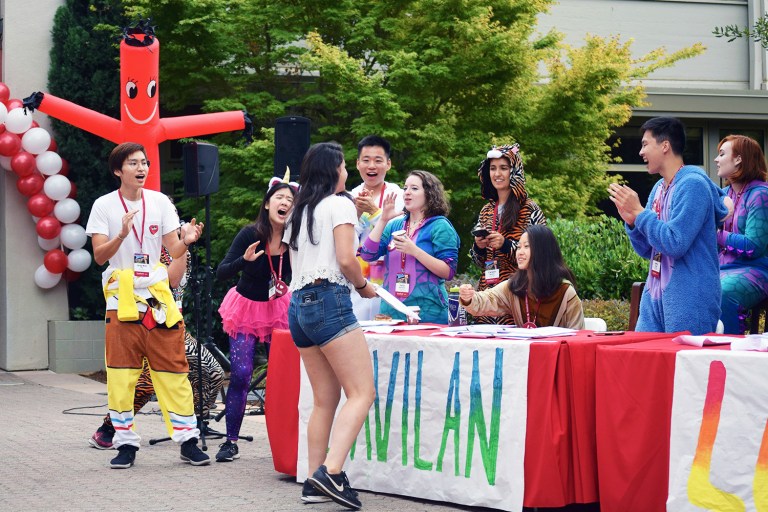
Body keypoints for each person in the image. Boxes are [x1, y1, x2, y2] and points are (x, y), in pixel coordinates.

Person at [85, 142, 208, 468]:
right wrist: (122, 234)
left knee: (174, 373)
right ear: (118, 170)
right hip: (121, 297)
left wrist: (187, 241)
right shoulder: (103, 206)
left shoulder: (160, 202)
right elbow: (99, 256)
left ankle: (188, 441)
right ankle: (125, 444)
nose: (141, 169)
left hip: (157, 297)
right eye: (133, 163)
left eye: (144, 163)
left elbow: (173, 249)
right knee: (122, 376)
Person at [284, 142, 377, 509]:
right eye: (343, 166)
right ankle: (331, 473)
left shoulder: (299, 210)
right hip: (329, 300)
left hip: (298, 307)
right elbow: (346, 259)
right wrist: (364, 286)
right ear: (332, 170)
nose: (347, 172)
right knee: (362, 393)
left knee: (325, 400)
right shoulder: (340, 205)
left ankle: (313, 479)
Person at [89, 243, 225, 449]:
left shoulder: (181, 251)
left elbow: (177, 285)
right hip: (144, 324)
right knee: (146, 384)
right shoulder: (142, 248)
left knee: (213, 372)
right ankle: (108, 428)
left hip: (172, 324)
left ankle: (194, 426)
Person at [608, 117, 729, 335]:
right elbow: (648, 249)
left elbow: (675, 243)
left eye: (645, 144)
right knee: (646, 364)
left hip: (690, 297)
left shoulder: (694, 185)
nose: (640, 152)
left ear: (665, 145)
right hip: (654, 296)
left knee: (685, 367)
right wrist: (632, 222)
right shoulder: (658, 188)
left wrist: (640, 214)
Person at [214, 179, 295, 462]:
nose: (284, 203)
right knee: (241, 373)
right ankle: (230, 441)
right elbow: (221, 271)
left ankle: (285, 442)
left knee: (283, 379)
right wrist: (244, 262)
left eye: (290, 200)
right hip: (246, 309)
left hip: (279, 310)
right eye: (280, 197)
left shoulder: (295, 239)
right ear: (267, 203)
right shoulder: (251, 233)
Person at [360, 170, 460, 324]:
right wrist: (383, 220)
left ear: (429, 194)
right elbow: (367, 255)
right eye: (405, 188)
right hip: (391, 314)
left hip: (428, 313)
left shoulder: (440, 226)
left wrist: (414, 251)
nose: (407, 192)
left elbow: (448, 272)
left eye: (414, 188)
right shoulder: (395, 225)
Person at [470, 144, 546, 324]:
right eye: (493, 168)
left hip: (519, 296)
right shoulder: (486, 210)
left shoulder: (530, 209)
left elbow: (542, 257)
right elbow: (478, 262)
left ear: (515, 172)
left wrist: (505, 245)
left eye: (504, 168)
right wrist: (479, 247)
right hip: (487, 300)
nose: (497, 174)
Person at [459, 225, 584, 329]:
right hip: (523, 356)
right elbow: (485, 300)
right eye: (518, 247)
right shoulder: (515, 285)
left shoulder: (565, 292)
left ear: (543, 251)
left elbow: (579, 338)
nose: (520, 252)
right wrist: (468, 297)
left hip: (556, 356)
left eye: (527, 247)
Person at [715, 135, 768, 334]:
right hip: (721, 268)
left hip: (756, 269)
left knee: (722, 291)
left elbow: (754, 245)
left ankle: (729, 355)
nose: (716, 159)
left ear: (738, 159)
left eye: (722, 154)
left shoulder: (761, 194)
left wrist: (715, 235)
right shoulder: (723, 194)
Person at [350, 135, 404, 320]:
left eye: (378, 160)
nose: (371, 166)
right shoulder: (351, 196)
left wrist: (374, 212)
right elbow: (346, 238)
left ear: (388, 164)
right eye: (366, 160)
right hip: (359, 276)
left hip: (391, 272)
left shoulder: (398, 194)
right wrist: (356, 212)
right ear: (357, 164)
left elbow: (401, 233)